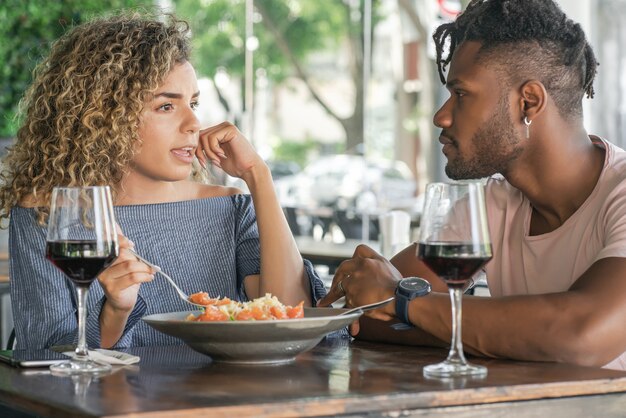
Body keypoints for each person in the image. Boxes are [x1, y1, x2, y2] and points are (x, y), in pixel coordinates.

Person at [318, 0, 626, 371]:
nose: (440, 115)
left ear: (528, 102)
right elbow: (364, 315)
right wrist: (504, 334)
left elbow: (582, 334)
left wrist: (407, 304)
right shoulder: (490, 206)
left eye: (461, 94)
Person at [0, 12, 325, 350]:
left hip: (228, 400)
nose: (194, 123)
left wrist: (258, 175)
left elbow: (289, 318)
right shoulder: (47, 215)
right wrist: (115, 311)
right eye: (166, 106)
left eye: (194, 103)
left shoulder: (230, 207)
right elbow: (46, 353)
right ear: (105, 116)